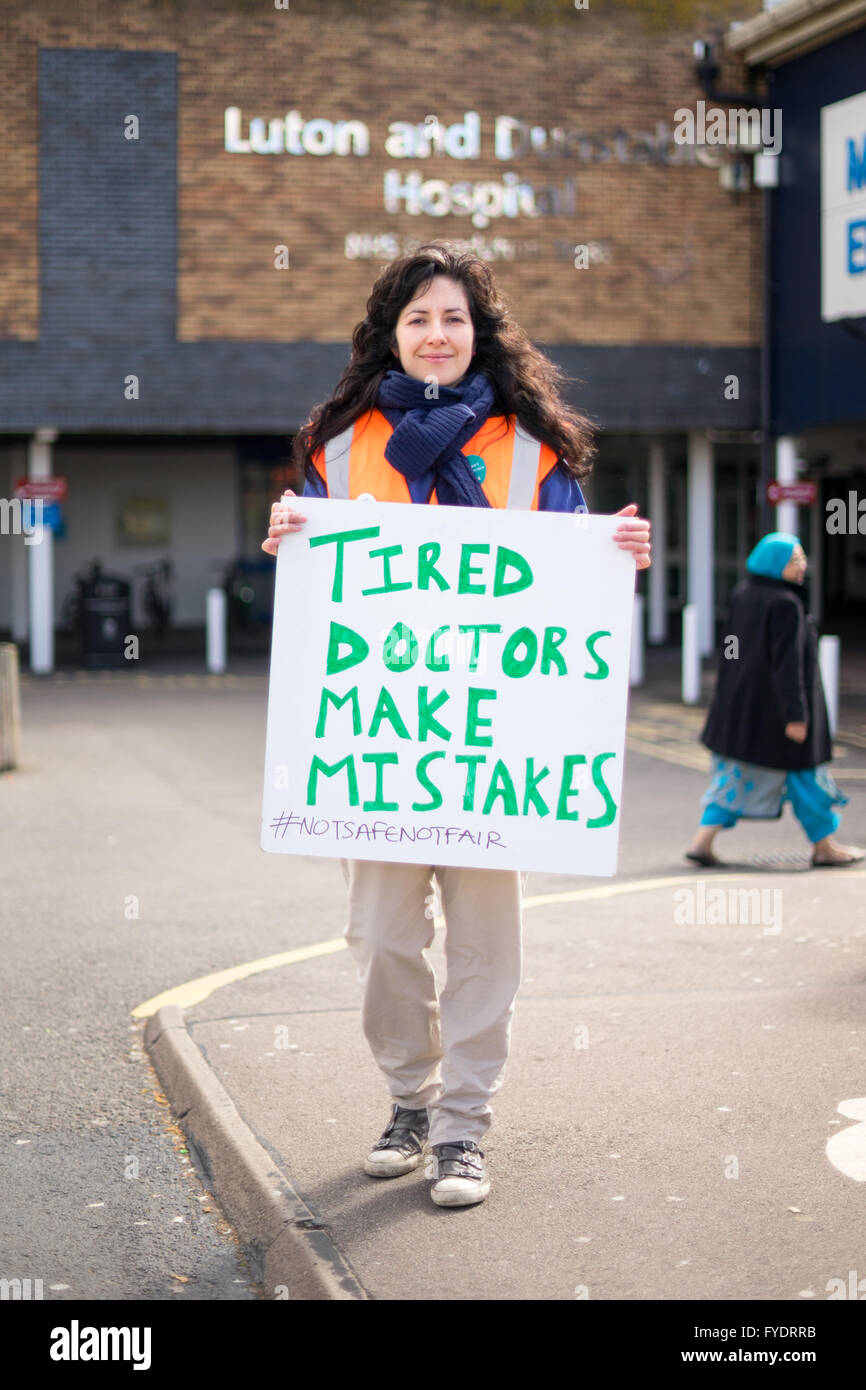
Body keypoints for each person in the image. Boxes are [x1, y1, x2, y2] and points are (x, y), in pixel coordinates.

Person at [263, 242, 651, 1207]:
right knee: (380, 937)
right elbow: (322, 593)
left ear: (480, 334)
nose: (437, 335)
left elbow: (568, 588)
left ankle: (462, 1130)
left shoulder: (533, 450)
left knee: (487, 947)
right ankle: (409, 1099)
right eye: (419, 319)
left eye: (454, 319)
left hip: (491, 749)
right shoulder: (337, 447)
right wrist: (286, 540)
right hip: (383, 754)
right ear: (391, 334)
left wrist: (618, 552)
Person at [686, 531, 863, 869]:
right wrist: (795, 716)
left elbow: (731, 646)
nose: (802, 566)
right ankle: (825, 847)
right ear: (775, 563)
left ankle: (701, 842)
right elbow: (788, 664)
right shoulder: (786, 604)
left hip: (743, 705)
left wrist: (732, 682)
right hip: (778, 712)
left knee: (733, 776)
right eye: (795, 560)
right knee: (808, 778)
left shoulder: (743, 594)